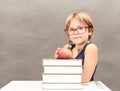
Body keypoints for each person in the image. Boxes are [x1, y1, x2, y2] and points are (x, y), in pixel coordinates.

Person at [54, 12, 98, 83]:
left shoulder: (91, 48)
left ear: (89, 31)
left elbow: (84, 79)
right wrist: (58, 61)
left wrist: (67, 61)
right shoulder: (68, 48)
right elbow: (59, 75)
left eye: (80, 28)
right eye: (71, 29)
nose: (75, 32)